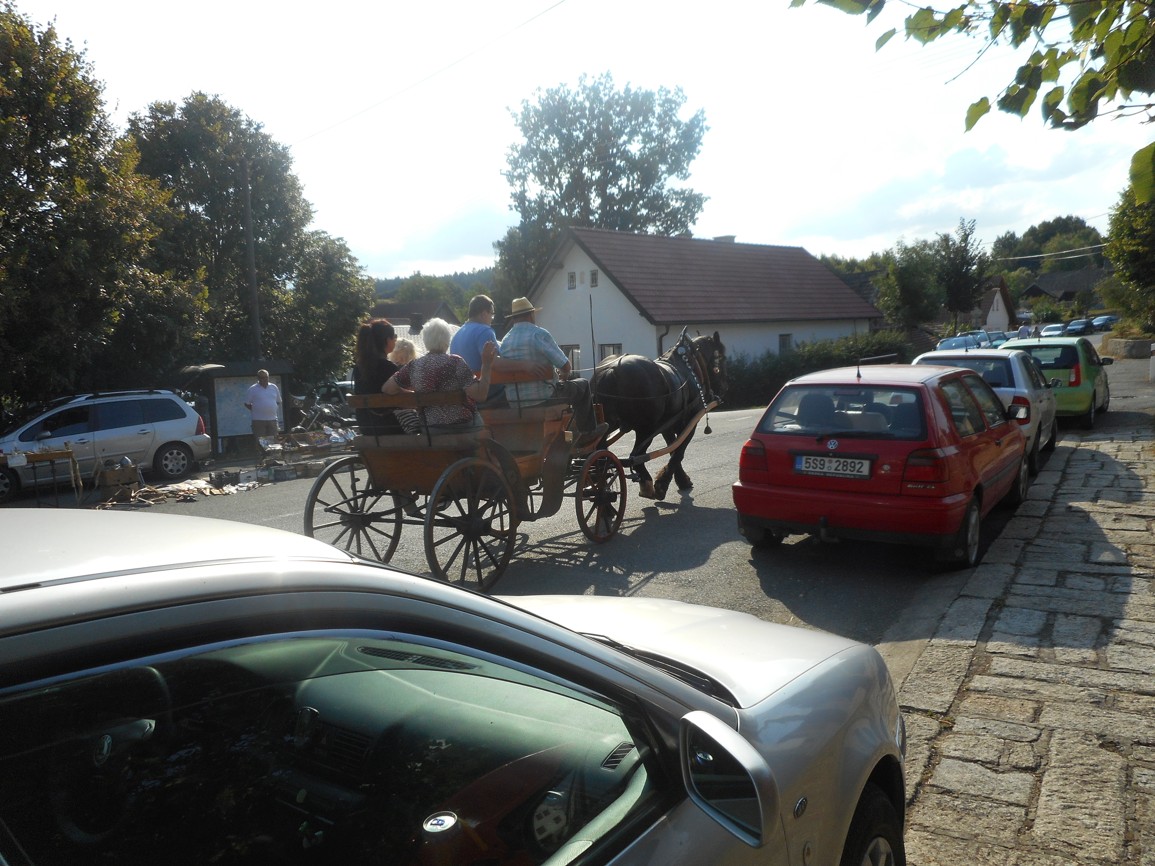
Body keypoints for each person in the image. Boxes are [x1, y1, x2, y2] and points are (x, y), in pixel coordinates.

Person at [498, 297, 607, 449]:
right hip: (544, 399)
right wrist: (564, 375)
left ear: (514, 318)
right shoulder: (538, 334)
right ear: (531, 315)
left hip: (516, 403)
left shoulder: (505, 340)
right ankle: (587, 431)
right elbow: (566, 365)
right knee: (582, 385)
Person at [383, 318, 495, 432]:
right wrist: (486, 365)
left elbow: (387, 389)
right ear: (447, 340)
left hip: (431, 430)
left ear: (425, 341)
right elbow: (480, 395)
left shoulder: (414, 366)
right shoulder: (456, 362)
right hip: (463, 426)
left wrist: (414, 395)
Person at [450, 294, 548, 401]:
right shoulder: (484, 331)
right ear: (484, 313)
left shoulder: (456, 336)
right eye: (492, 314)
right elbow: (495, 363)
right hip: (489, 395)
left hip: (464, 397)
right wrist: (526, 365)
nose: (492, 319)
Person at [352, 318, 404, 436]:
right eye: (394, 337)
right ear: (387, 340)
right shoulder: (389, 368)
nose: (395, 340)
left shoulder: (359, 368)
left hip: (366, 426)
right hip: (390, 427)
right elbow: (402, 397)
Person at [244, 369, 281, 452]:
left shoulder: (274, 387)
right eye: (262, 377)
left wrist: (272, 408)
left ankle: (273, 457)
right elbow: (247, 403)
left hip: (272, 419)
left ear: (268, 377)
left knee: (274, 440)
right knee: (261, 442)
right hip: (258, 420)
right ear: (258, 378)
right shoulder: (253, 389)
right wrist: (257, 410)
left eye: (266, 377)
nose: (264, 379)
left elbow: (278, 401)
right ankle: (263, 458)